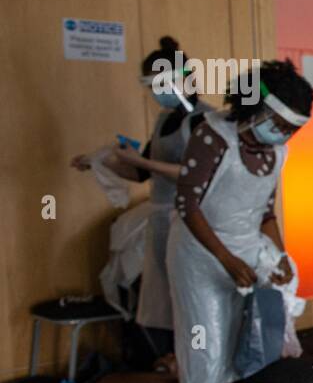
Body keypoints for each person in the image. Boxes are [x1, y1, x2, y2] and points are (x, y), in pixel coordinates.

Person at [167, 60, 313, 383]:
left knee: (255, 349)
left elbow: (266, 213)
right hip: (199, 254)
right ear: (256, 107)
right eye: (280, 124)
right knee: (205, 354)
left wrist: (281, 256)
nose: (285, 136)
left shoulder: (278, 151)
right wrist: (226, 259)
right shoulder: (213, 135)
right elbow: (187, 205)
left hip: (248, 250)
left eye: (293, 130)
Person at [70, 36, 211, 355]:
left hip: (192, 221)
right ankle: (169, 373)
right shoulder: (164, 121)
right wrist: (102, 163)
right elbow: (142, 174)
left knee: (192, 305)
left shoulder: (204, 120)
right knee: (160, 311)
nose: (157, 93)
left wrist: (141, 161)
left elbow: (198, 172)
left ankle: (200, 382)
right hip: (160, 220)